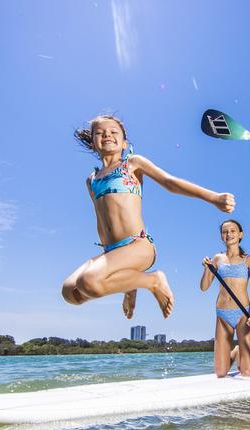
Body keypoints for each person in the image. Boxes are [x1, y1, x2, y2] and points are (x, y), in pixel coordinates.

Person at [62, 114, 235, 318]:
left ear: (125, 143)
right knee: (70, 292)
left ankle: (153, 280)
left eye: (113, 132)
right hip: (112, 252)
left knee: (89, 282)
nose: (107, 134)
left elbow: (169, 182)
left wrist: (213, 197)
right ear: (93, 143)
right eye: (99, 133)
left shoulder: (132, 164)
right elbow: (101, 218)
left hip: (137, 245)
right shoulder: (91, 180)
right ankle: (129, 285)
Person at [200, 220, 250, 377]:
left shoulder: (248, 259)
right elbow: (203, 287)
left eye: (233, 231)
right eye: (225, 231)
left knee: (248, 372)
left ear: (240, 234)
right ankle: (237, 352)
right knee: (221, 373)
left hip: (244, 314)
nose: (229, 234)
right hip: (222, 314)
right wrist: (207, 269)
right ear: (222, 236)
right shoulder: (217, 258)